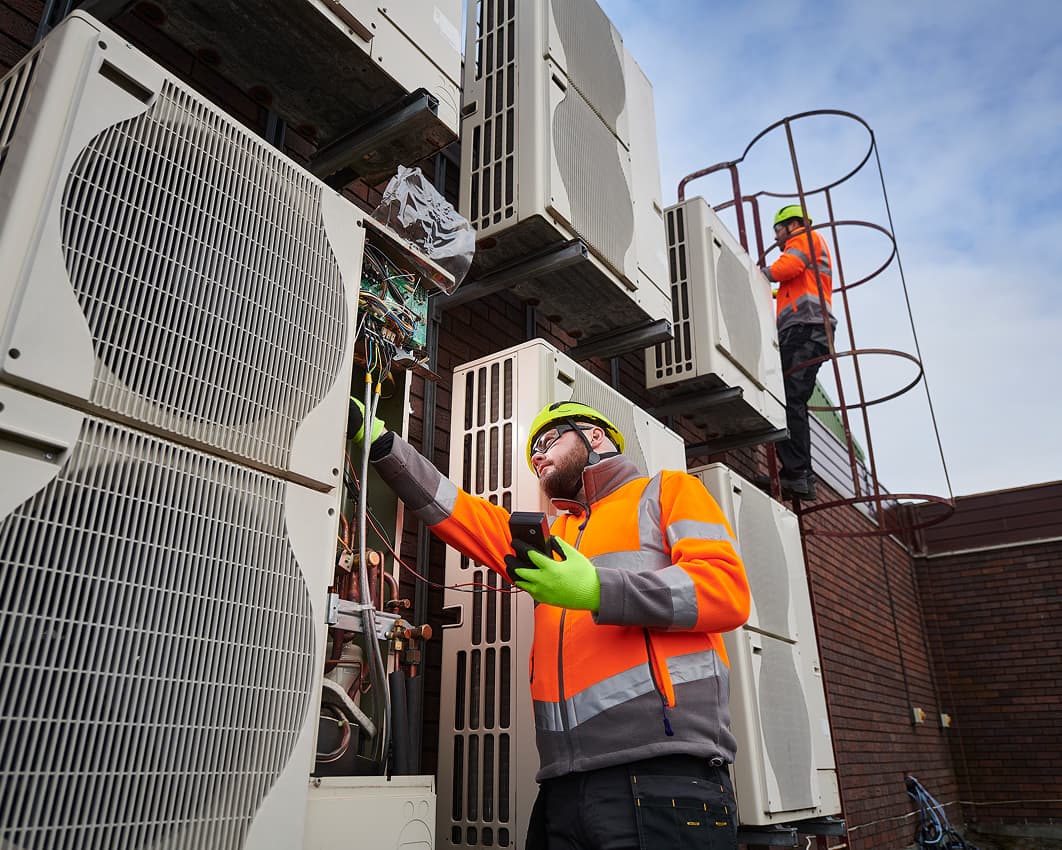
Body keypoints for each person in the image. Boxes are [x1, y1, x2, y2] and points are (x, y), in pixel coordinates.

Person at [349, 397, 750, 850]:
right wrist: (380, 443)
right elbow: (463, 513)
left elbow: (726, 589)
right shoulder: (553, 536)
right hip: (564, 784)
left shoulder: (665, 492)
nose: (537, 456)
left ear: (594, 436)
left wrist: (599, 589)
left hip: (664, 775)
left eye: (546, 441)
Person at [760, 204, 837, 501]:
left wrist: (760, 273)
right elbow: (793, 281)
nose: (778, 239)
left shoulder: (803, 238)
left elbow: (786, 268)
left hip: (806, 329)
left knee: (790, 399)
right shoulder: (807, 245)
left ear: (791, 225)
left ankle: (798, 474)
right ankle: (800, 474)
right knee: (792, 399)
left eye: (778, 230)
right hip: (809, 330)